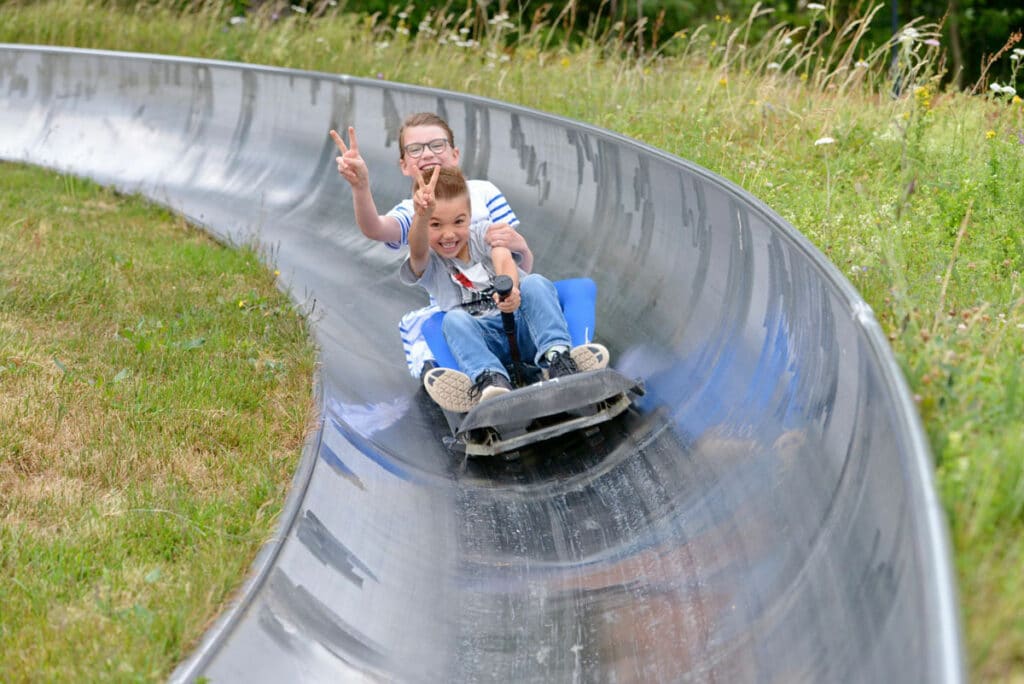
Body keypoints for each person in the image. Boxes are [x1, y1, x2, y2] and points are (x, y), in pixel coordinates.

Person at [330, 113, 533, 378]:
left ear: (455, 153)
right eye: (415, 149)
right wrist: (361, 187)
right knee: (436, 330)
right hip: (459, 308)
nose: (427, 154)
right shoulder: (412, 210)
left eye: (437, 145)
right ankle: (472, 378)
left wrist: (523, 248)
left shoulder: (484, 193)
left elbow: (517, 261)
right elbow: (376, 229)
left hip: (507, 296)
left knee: (540, 288)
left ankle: (560, 355)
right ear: (404, 165)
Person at [401, 166, 608, 413]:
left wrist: (509, 289)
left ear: (469, 216)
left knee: (535, 283)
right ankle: (490, 381)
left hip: (524, 327)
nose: (448, 234)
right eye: (435, 225)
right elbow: (417, 251)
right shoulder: (430, 259)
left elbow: (503, 259)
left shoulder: (483, 234)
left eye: (458, 222)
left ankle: (558, 358)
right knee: (453, 320)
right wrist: (421, 218)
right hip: (484, 340)